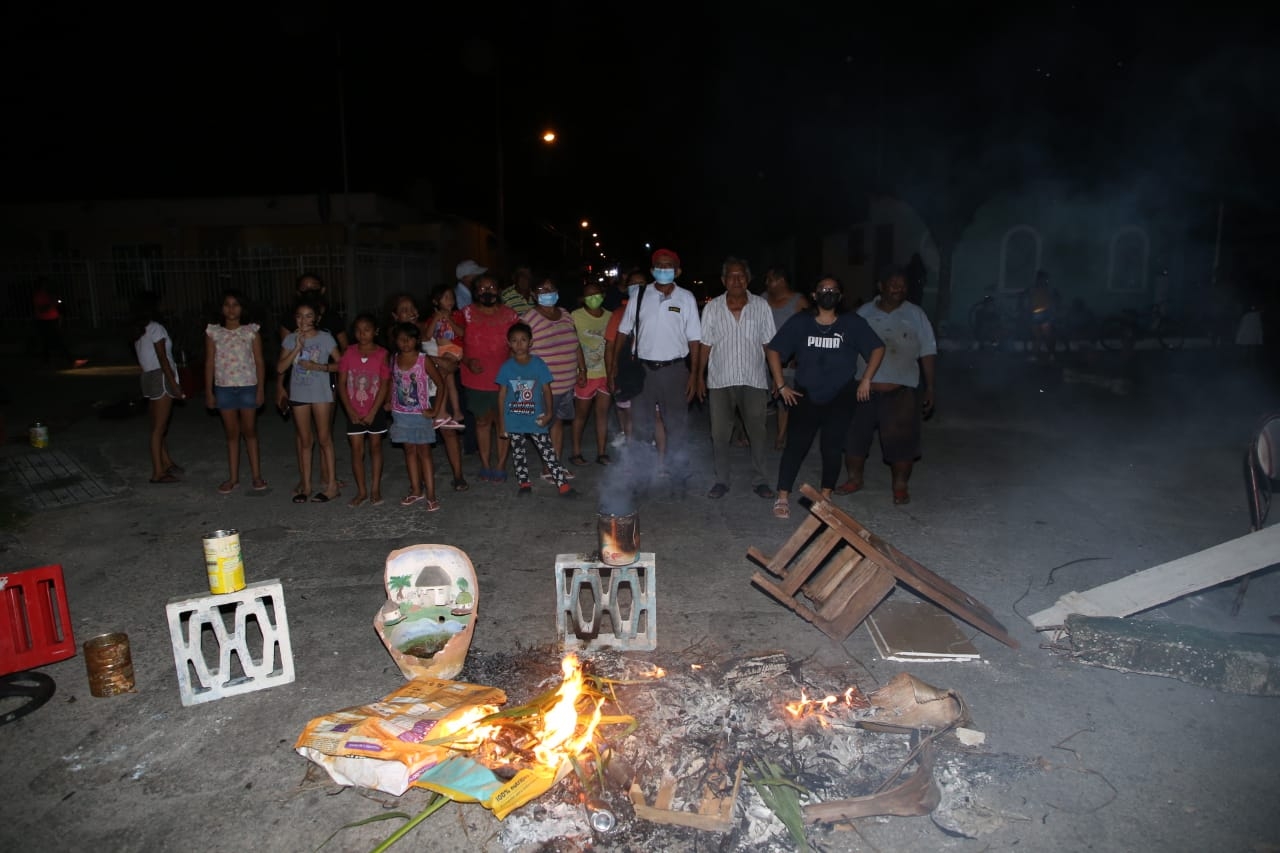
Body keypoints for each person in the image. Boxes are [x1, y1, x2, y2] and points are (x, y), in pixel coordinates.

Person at [766, 275, 885, 519]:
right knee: (796, 446)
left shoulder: (852, 323)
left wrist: (866, 379)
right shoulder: (801, 322)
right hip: (805, 394)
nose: (827, 293)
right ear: (813, 295)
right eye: (822, 289)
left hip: (841, 395)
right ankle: (782, 496)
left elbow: (877, 347)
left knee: (832, 446)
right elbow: (774, 349)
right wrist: (781, 384)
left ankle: (826, 497)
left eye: (832, 290)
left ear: (840, 296)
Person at [837, 266, 937, 505]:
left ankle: (900, 486)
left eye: (902, 284)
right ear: (880, 286)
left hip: (901, 391)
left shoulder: (916, 314)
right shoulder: (864, 312)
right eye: (893, 283)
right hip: (864, 390)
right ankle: (854, 479)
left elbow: (928, 351)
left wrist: (930, 387)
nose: (898, 288)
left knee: (902, 443)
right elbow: (848, 347)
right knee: (855, 438)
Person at [610, 248, 702, 495]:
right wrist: (614, 366)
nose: (663, 269)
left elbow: (695, 338)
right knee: (641, 428)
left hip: (675, 371)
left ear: (678, 270)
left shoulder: (687, 298)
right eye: (659, 266)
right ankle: (641, 478)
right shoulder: (639, 295)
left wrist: (694, 374)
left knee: (677, 426)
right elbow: (623, 331)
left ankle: (678, 475)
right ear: (652, 270)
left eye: (669, 265)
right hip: (643, 372)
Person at [695, 257, 776, 500]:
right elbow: (705, 345)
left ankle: (761, 480)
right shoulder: (712, 308)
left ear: (748, 279)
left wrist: (777, 379)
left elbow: (769, 345)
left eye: (741, 275)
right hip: (720, 380)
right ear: (723, 280)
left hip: (753, 379)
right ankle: (722, 480)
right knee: (719, 434)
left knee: (758, 433)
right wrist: (698, 376)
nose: (737, 280)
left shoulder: (761, 306)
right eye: (731, 276)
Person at [388, 293, 468, 491]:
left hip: (437, 388)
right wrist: (442, 362)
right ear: (395, 315)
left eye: (413, 308)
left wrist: (451, 362)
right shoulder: (395, 337)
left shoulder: (431, 325)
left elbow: (453, 353)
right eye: (404, 310)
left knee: (448, 432)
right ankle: (419, 481)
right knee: (415, 440)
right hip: (412, 394)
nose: (411, 313)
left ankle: (458, 476)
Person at [496, 322, 573, 496]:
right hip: (514, 420)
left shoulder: (538, 364)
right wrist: (502, 424)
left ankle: (563, 485)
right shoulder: (506, 367)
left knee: (548, 451)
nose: (519, 344)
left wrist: (549, 413)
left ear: (531, 342)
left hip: (536, 418)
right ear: (508, 343)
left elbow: (547, 389)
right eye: (514, 341)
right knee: (518, 453)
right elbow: (501, 395)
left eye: (523, 340)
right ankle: (524, 484)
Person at [279, 299, 343, 503]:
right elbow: (280, 368)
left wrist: (318, 367)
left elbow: (341, 365)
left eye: (308, 315)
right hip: (299, 394)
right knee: (305, 441)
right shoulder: (290, 339)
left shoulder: (325, 338)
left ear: (316, 318)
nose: (303, 320)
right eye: (299, 316)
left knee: (324, 438)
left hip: (321, 393)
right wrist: (296, 348)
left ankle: (332, 486)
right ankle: (306, 486)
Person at [204, 289, 267, 495]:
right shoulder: (214, 333)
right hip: (224, 387)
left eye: (236, 304)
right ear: (222, 309)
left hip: (248, 386)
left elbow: (259, 361)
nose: (231, 309)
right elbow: (209, 363)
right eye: (227, 304)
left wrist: (260, 389)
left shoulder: (251, 332)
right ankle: (233, 478)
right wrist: (209, 391)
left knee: (249, 431)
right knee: (232, 434)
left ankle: (256, 475)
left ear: (242, 308)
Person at [458, 273, 518, 482]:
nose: (487, 291)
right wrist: (466, 361)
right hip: (476, 379)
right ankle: (485, 464)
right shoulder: (465, 314)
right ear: (475, 293)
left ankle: (501, 465)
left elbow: (519, 343)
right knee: (482, 422)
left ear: (499, 290)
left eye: (492, 286)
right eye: (482, 288)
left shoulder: (511, 315)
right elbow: (451, 343)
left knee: (503, 423)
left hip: (505, 379)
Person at [521, 276, 582, 477]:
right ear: (533, 294)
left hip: (566, 383)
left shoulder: (565, 313)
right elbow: (519, 350)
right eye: (542, 288)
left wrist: (582, 369)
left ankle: (554, 465)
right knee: (544, 426)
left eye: (551, 288)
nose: (547, 292)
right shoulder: (528, 318)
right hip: (544, 385)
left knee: (557, 424)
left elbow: (575, 343)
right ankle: (548, 467)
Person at [389, 322, 446, 511]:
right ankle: (415, 489)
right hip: (401, 414)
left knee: (425, 454)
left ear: (416, 340)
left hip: (420, 415)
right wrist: (389, 401)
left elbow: (440, 383)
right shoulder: (394, 359)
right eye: (401, 339)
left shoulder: (423, 360)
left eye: (409, 339)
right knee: (409, 452)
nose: (405, 343)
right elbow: (392, 382)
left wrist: (435, 410)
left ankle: (431, 494)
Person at [336, 313, 391, 507]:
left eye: (367, 330)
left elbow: (384, 384)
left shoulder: (382, 353)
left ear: (375, 331)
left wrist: (374, 411)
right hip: (354, 410)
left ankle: (375, 488)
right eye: (358, 330)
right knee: (356, 451)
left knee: (375, 448)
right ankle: (362, 491)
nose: (362, 334)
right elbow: (341, 384)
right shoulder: (348, 353)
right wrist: (350, 411)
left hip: (374, 410)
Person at [132, 291, 184, 484]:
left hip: (147, 377)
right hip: (160, 377)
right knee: (159, 428)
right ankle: (158, 473)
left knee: (157, 427)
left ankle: (166, 462)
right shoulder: (156, 328)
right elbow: (163, 358)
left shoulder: (139, 329)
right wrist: (174, 384)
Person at [603, 268, 650, 448]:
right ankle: (631, 452)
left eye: (641, 284)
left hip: (649, 370)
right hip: (626, 371)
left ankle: (646, 445)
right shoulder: (619, 314)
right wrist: (610, 373)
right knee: (627, 410)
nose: (637, 288)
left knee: (647, 413)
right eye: (633, 284)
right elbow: (609, 347)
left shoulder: (656, 311)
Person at [764, 267, 809, 450]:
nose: (766, 283)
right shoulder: (763, 299)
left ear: (781, 280)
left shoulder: (798, 302)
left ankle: (781, 435)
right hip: (764, 357)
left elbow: (808, 330)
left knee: (785, 399)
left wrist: (799, 355)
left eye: (770, 280)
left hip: (788, 359)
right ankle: (747, 433)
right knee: (760, 398)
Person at [569, 280, 613, 465]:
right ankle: (576, 453)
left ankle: (601, 453)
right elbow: (573, 344)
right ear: (582, 298)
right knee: (581, 415)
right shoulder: (575, 316)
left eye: (596, 294)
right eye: (589, 295)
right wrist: (580, 370)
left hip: (605, 373)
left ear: (602, 296)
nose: (593, 298)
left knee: (602, 414)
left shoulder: (610, 316)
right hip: (585, 375)